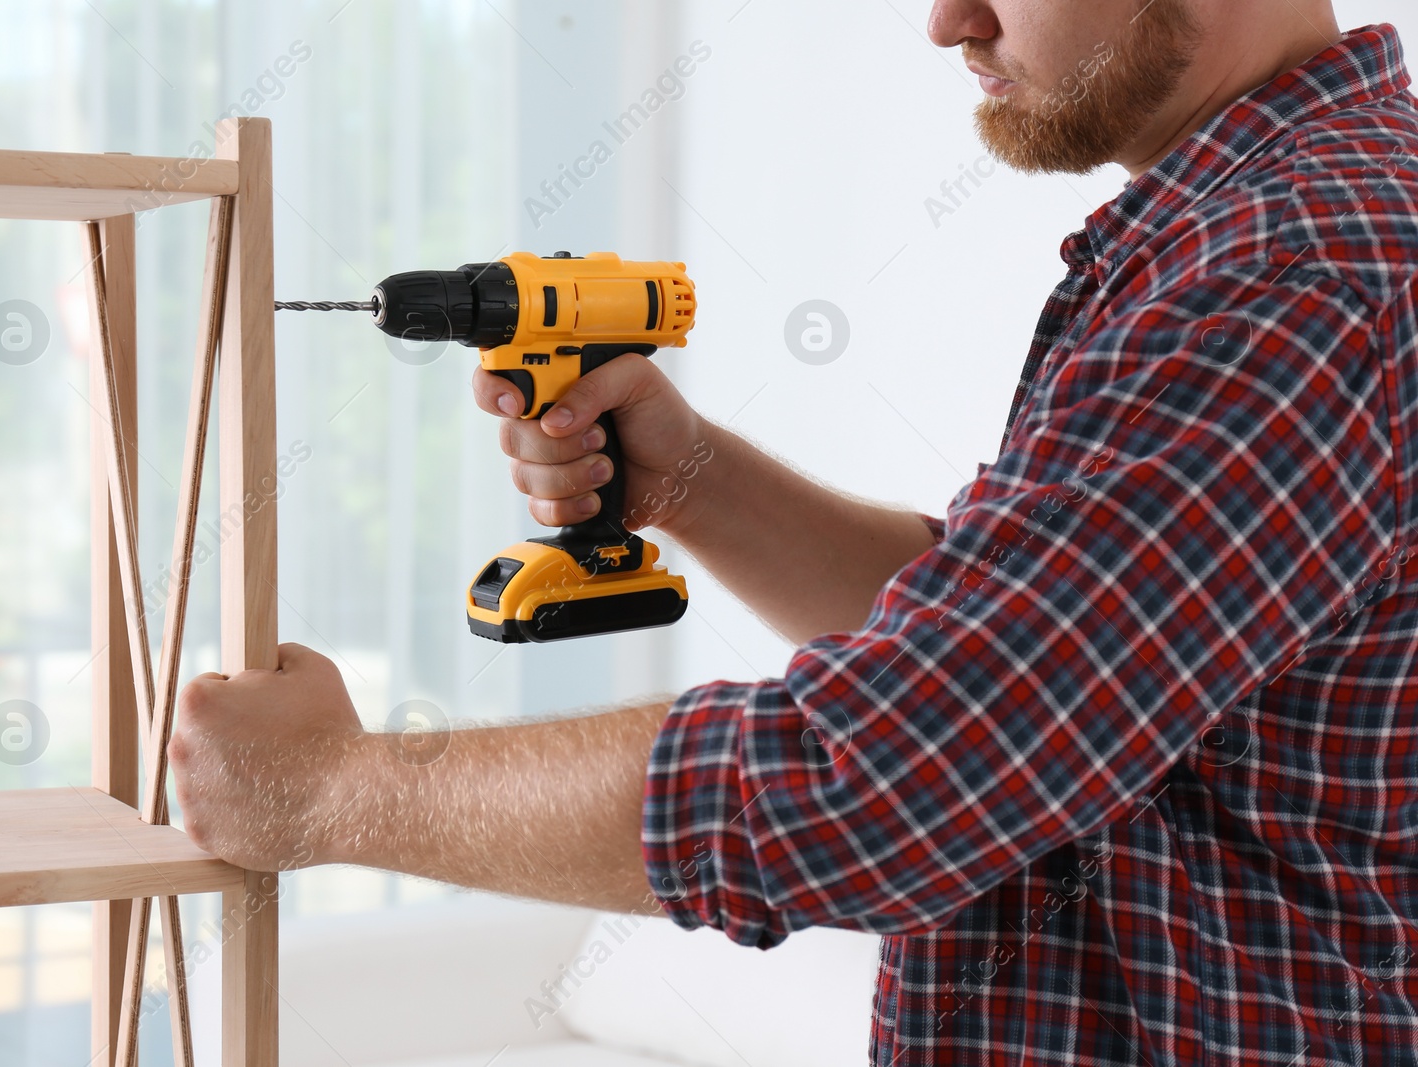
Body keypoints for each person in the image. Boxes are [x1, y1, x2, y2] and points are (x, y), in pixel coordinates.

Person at [170, 2, 1418, 1062]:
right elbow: (1035, 658)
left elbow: (889, 771)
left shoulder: (1291, 271)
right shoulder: (1255, 225)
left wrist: (329, 790)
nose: (946, 20)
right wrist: (695, 483)